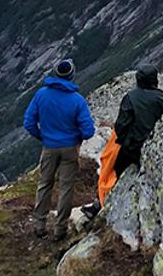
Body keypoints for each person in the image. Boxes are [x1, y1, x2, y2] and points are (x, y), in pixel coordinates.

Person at [23, 58, 95, 240]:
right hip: (69, 149)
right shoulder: (77, 100)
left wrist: (44, 137)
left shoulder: (41, 95)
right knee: (66, 187)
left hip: (49, 147)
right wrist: (76, 138)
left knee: (45, 184)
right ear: (72, 75)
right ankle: (60, 229)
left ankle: (39, 224)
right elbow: (88, 131)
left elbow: (29, 123)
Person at [112, 65, 163, 175]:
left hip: (133, 147)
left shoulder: (130, 98)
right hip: (156, 144)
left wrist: (122, 142)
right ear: (155, 80)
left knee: (115, 168)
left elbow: (121, 126)